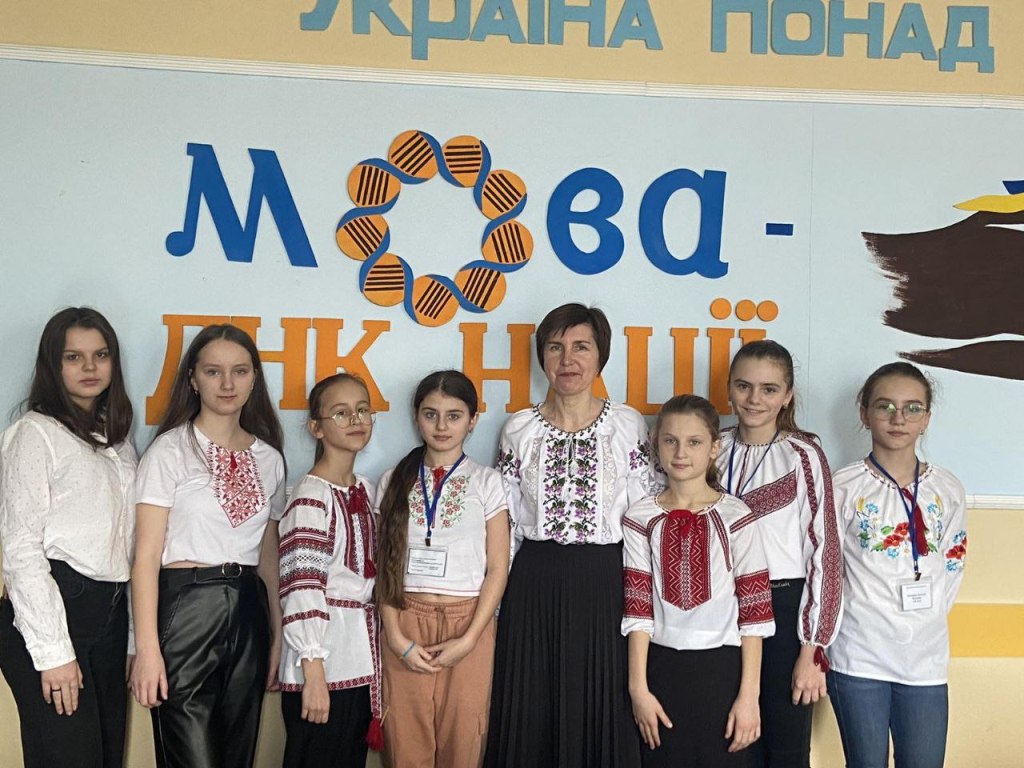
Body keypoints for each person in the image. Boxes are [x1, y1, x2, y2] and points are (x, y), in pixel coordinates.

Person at [485, 303, 654, 768]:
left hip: (605, 582)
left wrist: (645, 601)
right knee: (531, 708)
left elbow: (643, 516)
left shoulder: (627, 424)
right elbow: (506, 525)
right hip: (534, 583)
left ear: (601, 356)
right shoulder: (519, 428)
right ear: (542, 356)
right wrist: (495, 608)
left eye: (581, 347)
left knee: (602, 703)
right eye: (555, 347)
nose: (567, 360)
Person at [129, 324, 286, 768]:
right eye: (213, 371)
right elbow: (145, 559)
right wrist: (146, 650)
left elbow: (269, 559)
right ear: (193, 379)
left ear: (254, 378)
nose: (227, 383)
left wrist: (277, 635)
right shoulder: (169, 451)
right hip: (186, 607)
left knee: (238, 755)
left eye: (240, 371)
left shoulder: (270, 459)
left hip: (249, 609)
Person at [0, 307, 136, 768]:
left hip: (109, 613)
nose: (90, 367)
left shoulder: (118, 441)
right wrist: (54, 653)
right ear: (52, 364)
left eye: (101, 355)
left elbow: (126, 546)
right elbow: (21, 548)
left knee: (107, 757)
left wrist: (132, 639)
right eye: (73, 357)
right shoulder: (33, 433)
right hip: (54, 611)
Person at [623, 395, 774, 767]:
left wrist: (749, 696)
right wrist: (638, 689)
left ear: (714, 448)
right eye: (670, 441)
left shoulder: (737, 516)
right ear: (656, 444)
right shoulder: (640, 517)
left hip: (723, 671)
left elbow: (754, 614)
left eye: (694, 442)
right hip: (661, 669)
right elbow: (638, 610)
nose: (680, 453)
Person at [828, 362, 966, 768]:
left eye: (912, 408)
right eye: (885, 406)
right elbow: (827, 570)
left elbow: (953, 564)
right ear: (864, 413)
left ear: (927, 418)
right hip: (858, 654)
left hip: (925, 657)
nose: (898, 418)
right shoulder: (843, 486)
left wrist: (924, 618)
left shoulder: (947, 488)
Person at [715, 340, 843, 768]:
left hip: (784, 611)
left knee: (784, 746)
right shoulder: (712, 448)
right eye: (744, 386)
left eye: (769, 389)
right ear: (729, 388)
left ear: (787, 395)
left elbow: (826, 554)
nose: (755, 399)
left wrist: (812, 649)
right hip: (719, 610)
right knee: (728, 741)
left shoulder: (803, 455)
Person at [375, 370, 509, 768]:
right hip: (405, 620)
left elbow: (498, 568)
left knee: (463, 741)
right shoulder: (393, 480)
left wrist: (470, 639)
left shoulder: (487, 482)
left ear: (473, 420)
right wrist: (396, 636)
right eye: (430, 414)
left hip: (468, 623)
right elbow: (383, 565)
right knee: (405, 742)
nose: (441, 426)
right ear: (416, 417)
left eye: (454, 415)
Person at [278, 373, 383, 767]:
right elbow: (301, 585)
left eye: (362, 410)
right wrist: (314, 671)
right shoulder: (311, 496)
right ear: (316, 428)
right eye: (340, 413)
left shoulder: (366, 490)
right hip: (322, 663)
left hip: (358, 660)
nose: (355, 420)